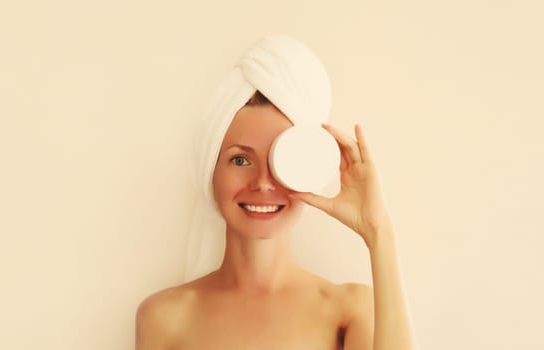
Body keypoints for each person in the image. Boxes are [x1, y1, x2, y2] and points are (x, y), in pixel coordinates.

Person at [136, 36, 416, 350]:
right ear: (210, 169)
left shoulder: (351, 310)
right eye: (240, 159)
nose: (263, 182)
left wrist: (379, 232)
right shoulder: (164, 317)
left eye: (282, 161)